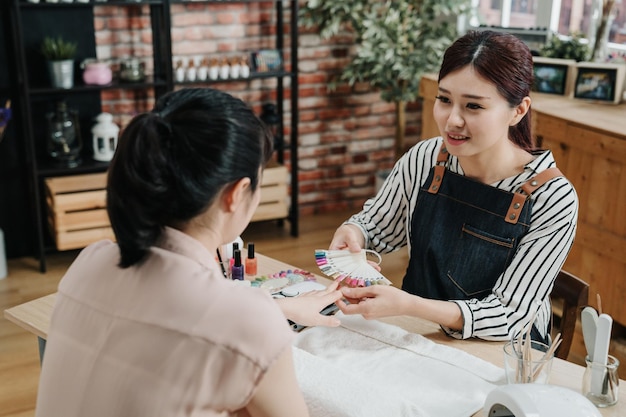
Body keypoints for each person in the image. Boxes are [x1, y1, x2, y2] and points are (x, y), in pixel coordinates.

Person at [35, 88, 342, 417]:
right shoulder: (248, 323)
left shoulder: (90, 262)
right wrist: (265, 317)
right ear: (236, 194)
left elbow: (165, 318)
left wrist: (280, 307)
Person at [330, 30, 578, 344]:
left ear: (518, 110)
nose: (452, 121)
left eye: (473, 107)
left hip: (505, 353)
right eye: (445, 100)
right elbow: (376, 227)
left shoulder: (552, 198)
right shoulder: (425, 158)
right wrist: (354, 233)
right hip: (421, 333)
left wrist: (410, 305)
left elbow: (510, 316)